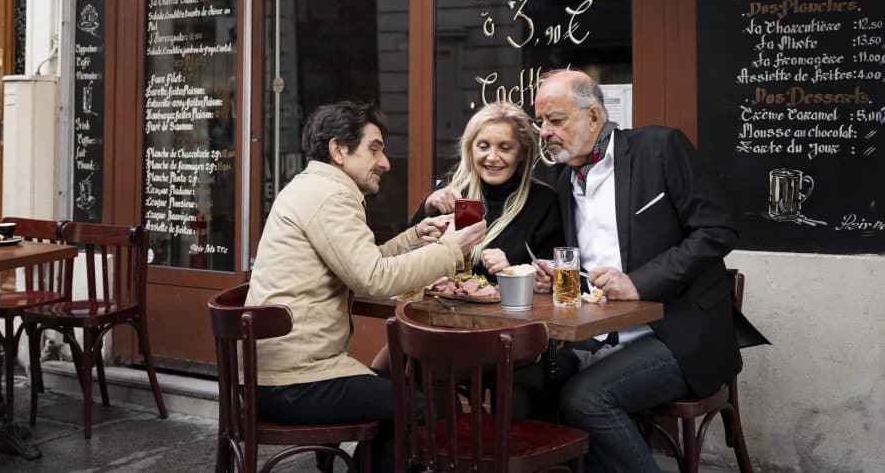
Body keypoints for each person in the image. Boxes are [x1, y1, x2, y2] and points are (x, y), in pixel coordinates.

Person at [245, 101, 485, 473]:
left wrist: (416, 238)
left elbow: (361, 264)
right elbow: (373, 279)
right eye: (374, 148)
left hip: (282, 372)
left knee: (403, 397)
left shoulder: (314, 186)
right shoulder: (331, 196)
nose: (385, 162)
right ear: (339, 151)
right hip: (293, 381)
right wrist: (452, 249)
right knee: (427, 408)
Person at [533, 68, 753, 473]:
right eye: (541, 121)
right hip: (599, 333)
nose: (544, 131)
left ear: (594, 117)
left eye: (556, 120)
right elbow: (590, 262)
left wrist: (640, 282)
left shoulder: (660, 148)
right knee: (530, 382)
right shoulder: (564, 181)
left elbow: (717, 230)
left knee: (585, 399)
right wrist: (557, 274)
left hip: (679, 332)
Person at [409, 101, 564, 276]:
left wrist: (511, 270)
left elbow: (550, 279)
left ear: (522, 153)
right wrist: (427, 208)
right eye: (483, 147)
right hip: (445, 303)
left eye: (505, 148)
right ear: (470, 149)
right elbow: (405, 259)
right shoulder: (454, 194)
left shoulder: (543, 203)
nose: (492, 157)